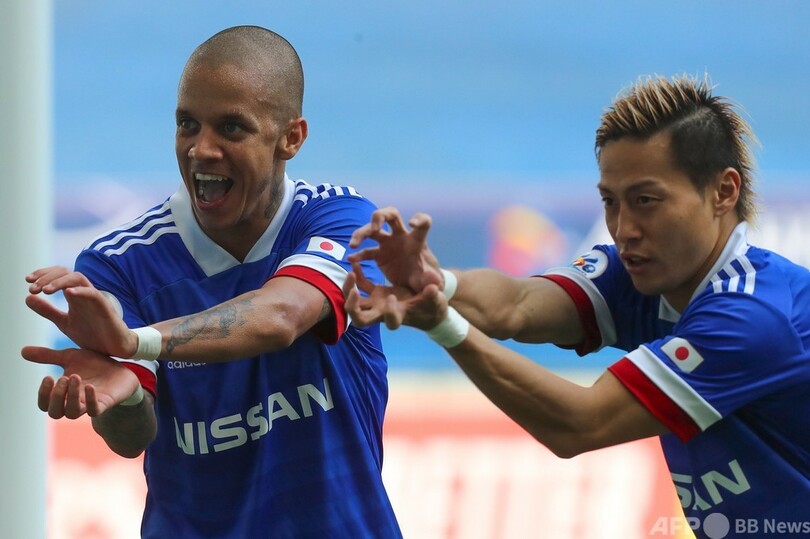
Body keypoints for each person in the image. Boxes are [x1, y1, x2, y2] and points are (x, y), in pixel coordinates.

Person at [343, 75, 810, 535]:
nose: (623, 229)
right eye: (611, 201)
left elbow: (579, 424)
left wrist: (444, 325)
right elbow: (516, 304)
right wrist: (436, 283)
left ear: (724, 192)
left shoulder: (753, 317)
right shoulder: (648, 275)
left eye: (646, 200)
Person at [23, 26, 402, 538]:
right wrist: (126, 400)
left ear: (291, 138)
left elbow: (282, 315)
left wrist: (137, 342)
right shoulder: (118, 265)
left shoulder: (343, 221)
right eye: (187, 124)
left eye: (231, 128)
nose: (201, 149)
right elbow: (131, 437)